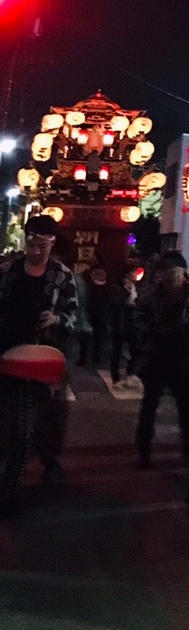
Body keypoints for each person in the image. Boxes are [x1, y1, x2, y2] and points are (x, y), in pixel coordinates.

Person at [0, 215, 78, 507]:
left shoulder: (62, 275)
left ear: (52, 244)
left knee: (43, 417)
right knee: (11, 420)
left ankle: (38, 468)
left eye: (42, 246)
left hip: (43, 355)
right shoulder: (7, 270)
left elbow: (74, 315)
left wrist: (57, 318)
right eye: (31, 244)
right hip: (7, 351)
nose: (35, 251)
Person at [133, 253, 189, 467]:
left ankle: (187, 447)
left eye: (174, 275)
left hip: (182, 354)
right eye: (167, 276)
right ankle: (143, 451)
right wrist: (154, 329)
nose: (171, 280)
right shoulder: (150, 294)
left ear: (183, 274)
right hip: (155, 355)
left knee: (184, 407)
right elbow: (137, 319)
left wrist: (187, 326)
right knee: (149, 405)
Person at [108, 264, 140, 386]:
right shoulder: (117, 287)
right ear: (127, 273)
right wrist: (126, 291)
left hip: (133, 323)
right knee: (117, 350)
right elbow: (116, 302)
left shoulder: (136, 286)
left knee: (134, 350)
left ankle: (130, 373)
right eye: (134, 272)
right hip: (120, 322)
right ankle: (115, 378)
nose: (136, 274)